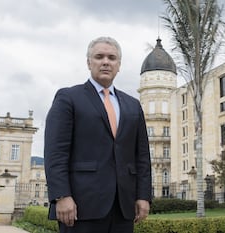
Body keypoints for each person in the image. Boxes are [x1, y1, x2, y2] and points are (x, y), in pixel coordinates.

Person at [44, 36, 152, 233]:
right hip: (80, 206)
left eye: (111, 58)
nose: (105, 62)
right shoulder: (68, 98)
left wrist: (143, 196)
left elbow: (142, 156)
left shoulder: (133, 105)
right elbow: (55, 152)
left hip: (123, 207)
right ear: (88, 62)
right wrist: (61, 196)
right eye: (99, 56)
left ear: (118, 65)